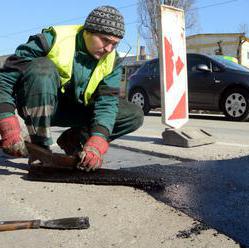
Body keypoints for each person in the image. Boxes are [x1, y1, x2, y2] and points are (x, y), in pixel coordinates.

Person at [0, 6, 143, 171]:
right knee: (42, 68)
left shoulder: (112, 60)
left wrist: (98, 140)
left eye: (114, 44)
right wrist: (6, 122)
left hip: (76, 109)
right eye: (105, 40)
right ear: (87, 31)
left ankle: (74, 139)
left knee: (133, 114)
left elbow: (107, 103)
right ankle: (40, 148)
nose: (108, 49)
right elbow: (5, 78)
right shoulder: (52, 39)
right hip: (41, 104)